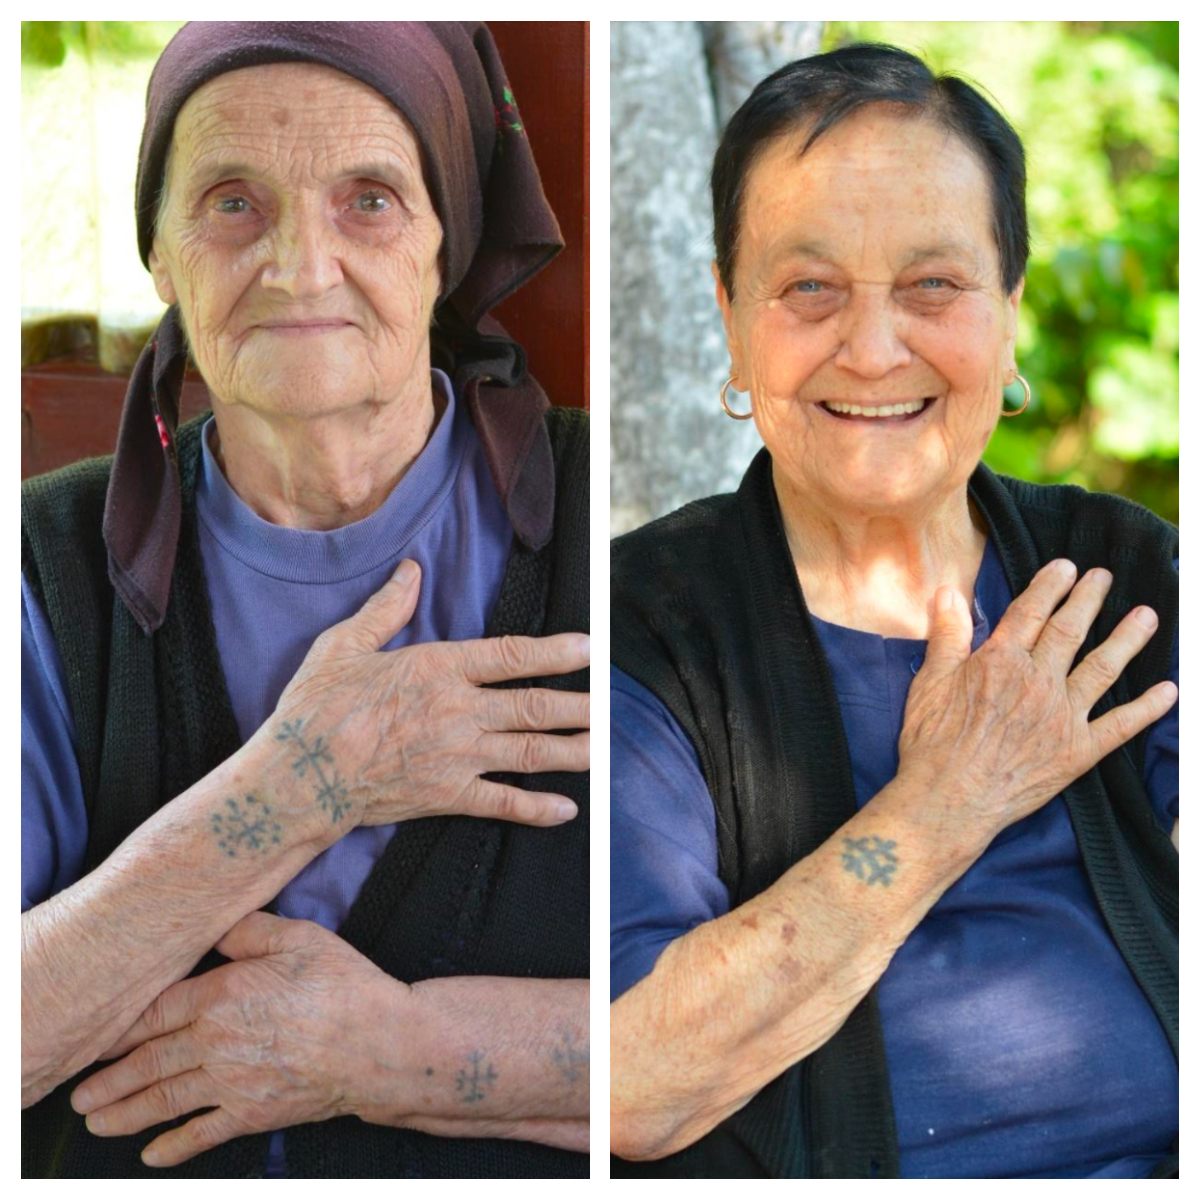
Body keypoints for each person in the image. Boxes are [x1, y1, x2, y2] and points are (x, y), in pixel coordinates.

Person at [22, 22, 589, 1179]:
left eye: (368, 199)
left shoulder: (609, 518)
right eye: (232, 202)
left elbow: (746, 1028)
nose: (298, 266)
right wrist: (302, 786)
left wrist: (391, 1054)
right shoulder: (42, 564)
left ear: (446, 245)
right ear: (162, 259)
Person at [610, 44, 1177, 1179]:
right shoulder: (650, 627)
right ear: (730, 314)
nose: (873, 351)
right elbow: (628, 1088)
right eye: (809, 287)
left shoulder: (1118, 568)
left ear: (1009, 308)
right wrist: (945, 807)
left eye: (934, 285)